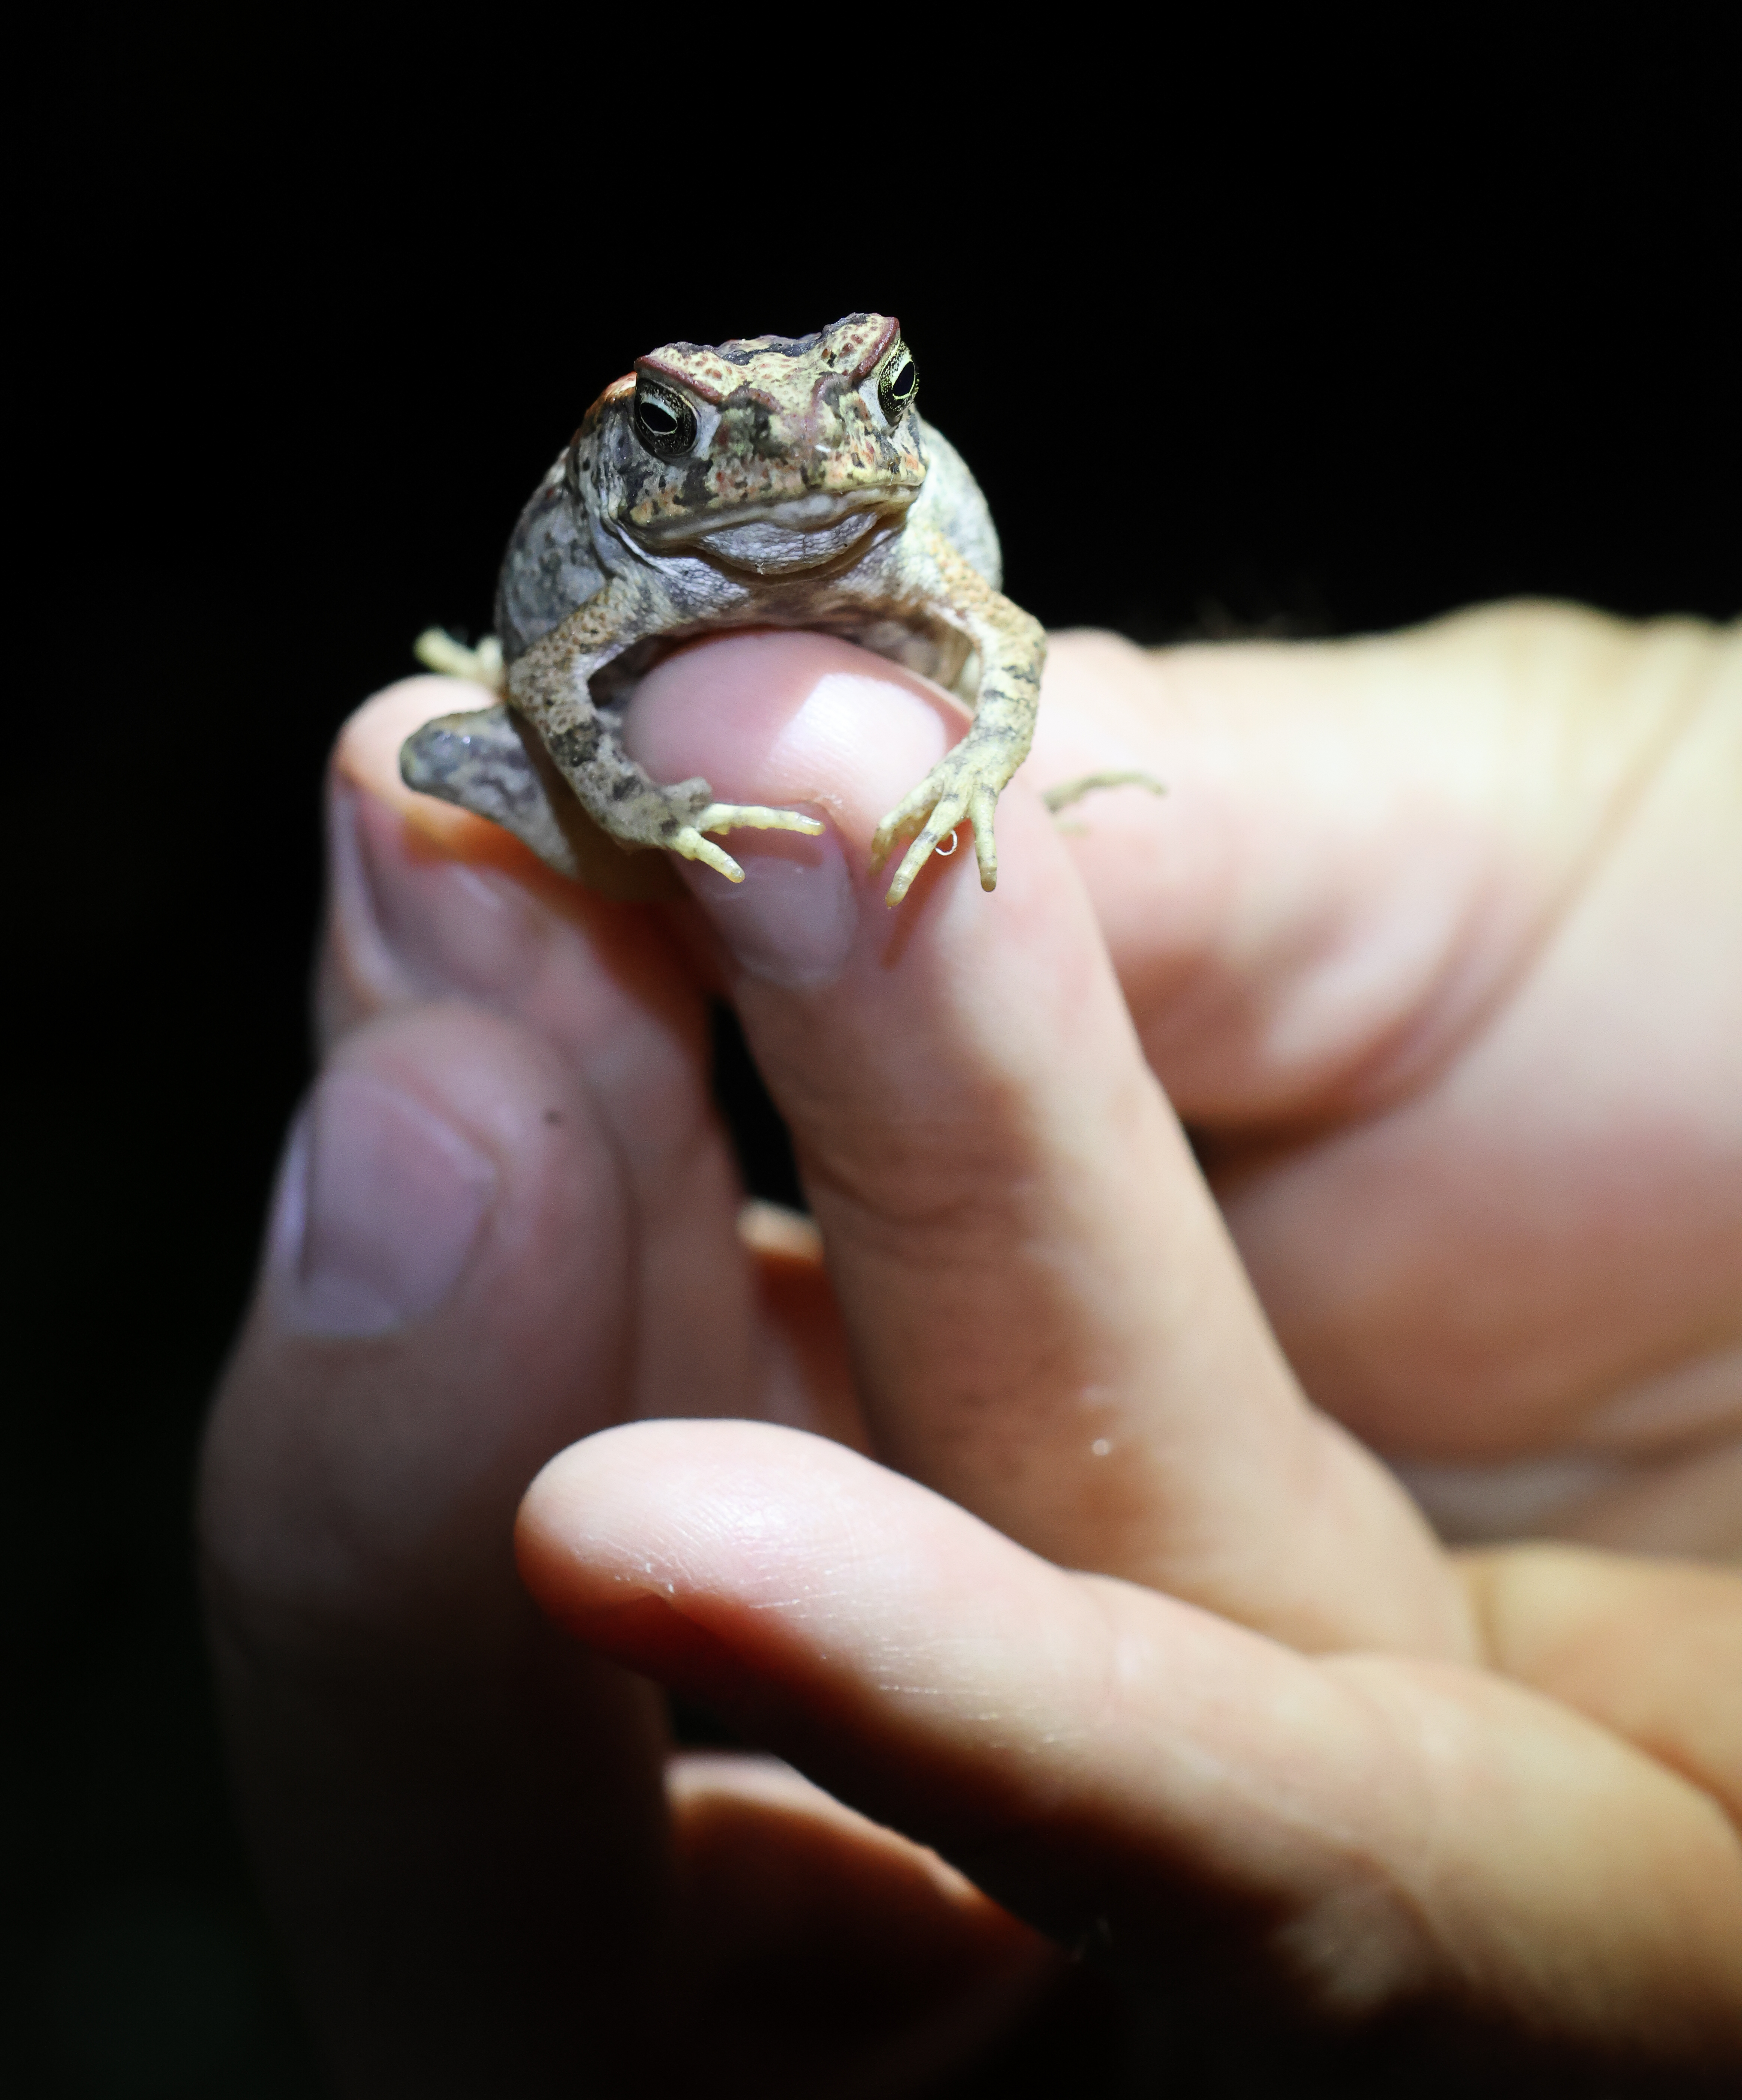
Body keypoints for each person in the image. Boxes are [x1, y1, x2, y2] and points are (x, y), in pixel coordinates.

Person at [199, 602, 1742, 2093]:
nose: (797, 451)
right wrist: (633, 800)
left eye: (871, 397)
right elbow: (549, 670)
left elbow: (1002, 651)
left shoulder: (885, 534)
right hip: (626, 816)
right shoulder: (641, 541)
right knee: (440, 776)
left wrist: (968, 771)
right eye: (696, 431)